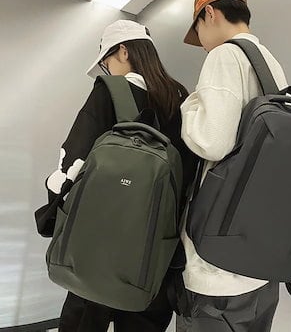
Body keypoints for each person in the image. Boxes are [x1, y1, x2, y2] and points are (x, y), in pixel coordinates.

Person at [44, 20, 197, 332]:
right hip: (155, 251)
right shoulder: (180, 98)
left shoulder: (110, 90)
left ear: (124, 51)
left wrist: (51, 205)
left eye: (106, 61)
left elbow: (72, 164)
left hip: (100, 244)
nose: (107, 69)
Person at [177, 0, 289, 331]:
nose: (202, 43)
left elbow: (212, 142)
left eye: (198, 30)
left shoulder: (224, 56)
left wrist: (189, 105)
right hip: (261, 261)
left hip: (218, 270)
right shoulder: (270, 63)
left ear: (209, 13)